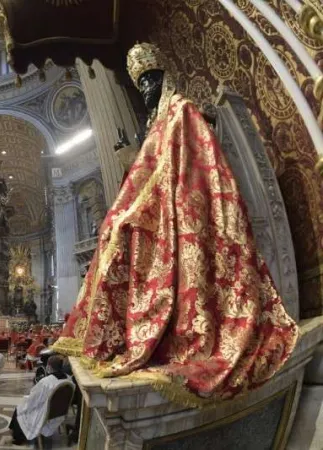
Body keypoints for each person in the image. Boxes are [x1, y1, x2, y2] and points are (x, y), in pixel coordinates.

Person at [54, 43, 299, 404]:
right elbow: (147, 171)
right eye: (142, 85)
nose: (148, 90)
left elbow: (192, 164)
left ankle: (154, 326)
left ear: (164, 78)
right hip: (161, 201)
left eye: (152, 81)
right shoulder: (154, 123)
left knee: (123, 226)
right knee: (115, 227)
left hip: (186, 198)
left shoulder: (182, 110)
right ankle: (126, 331)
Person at [9, 355, 71, 445]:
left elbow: (33, 401)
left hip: (46, 414)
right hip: (60, 412)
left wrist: (25, 401)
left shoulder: (46, 382)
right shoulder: (69, 379)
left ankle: (18, 438)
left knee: (20, 409)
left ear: (49, 367)